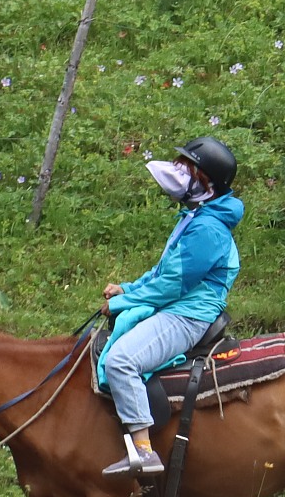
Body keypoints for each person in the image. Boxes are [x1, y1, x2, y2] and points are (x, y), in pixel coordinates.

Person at [100, 136, 244, 477]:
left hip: (187, 315)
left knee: (121, 361)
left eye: (188, 169)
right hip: (178, 305)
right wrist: (129, 288)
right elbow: (166, 270)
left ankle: (143, 451)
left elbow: (173, 284)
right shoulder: (196, 217)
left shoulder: (208, 228)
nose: (178, 172)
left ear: (205, 181)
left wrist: (123, 302)